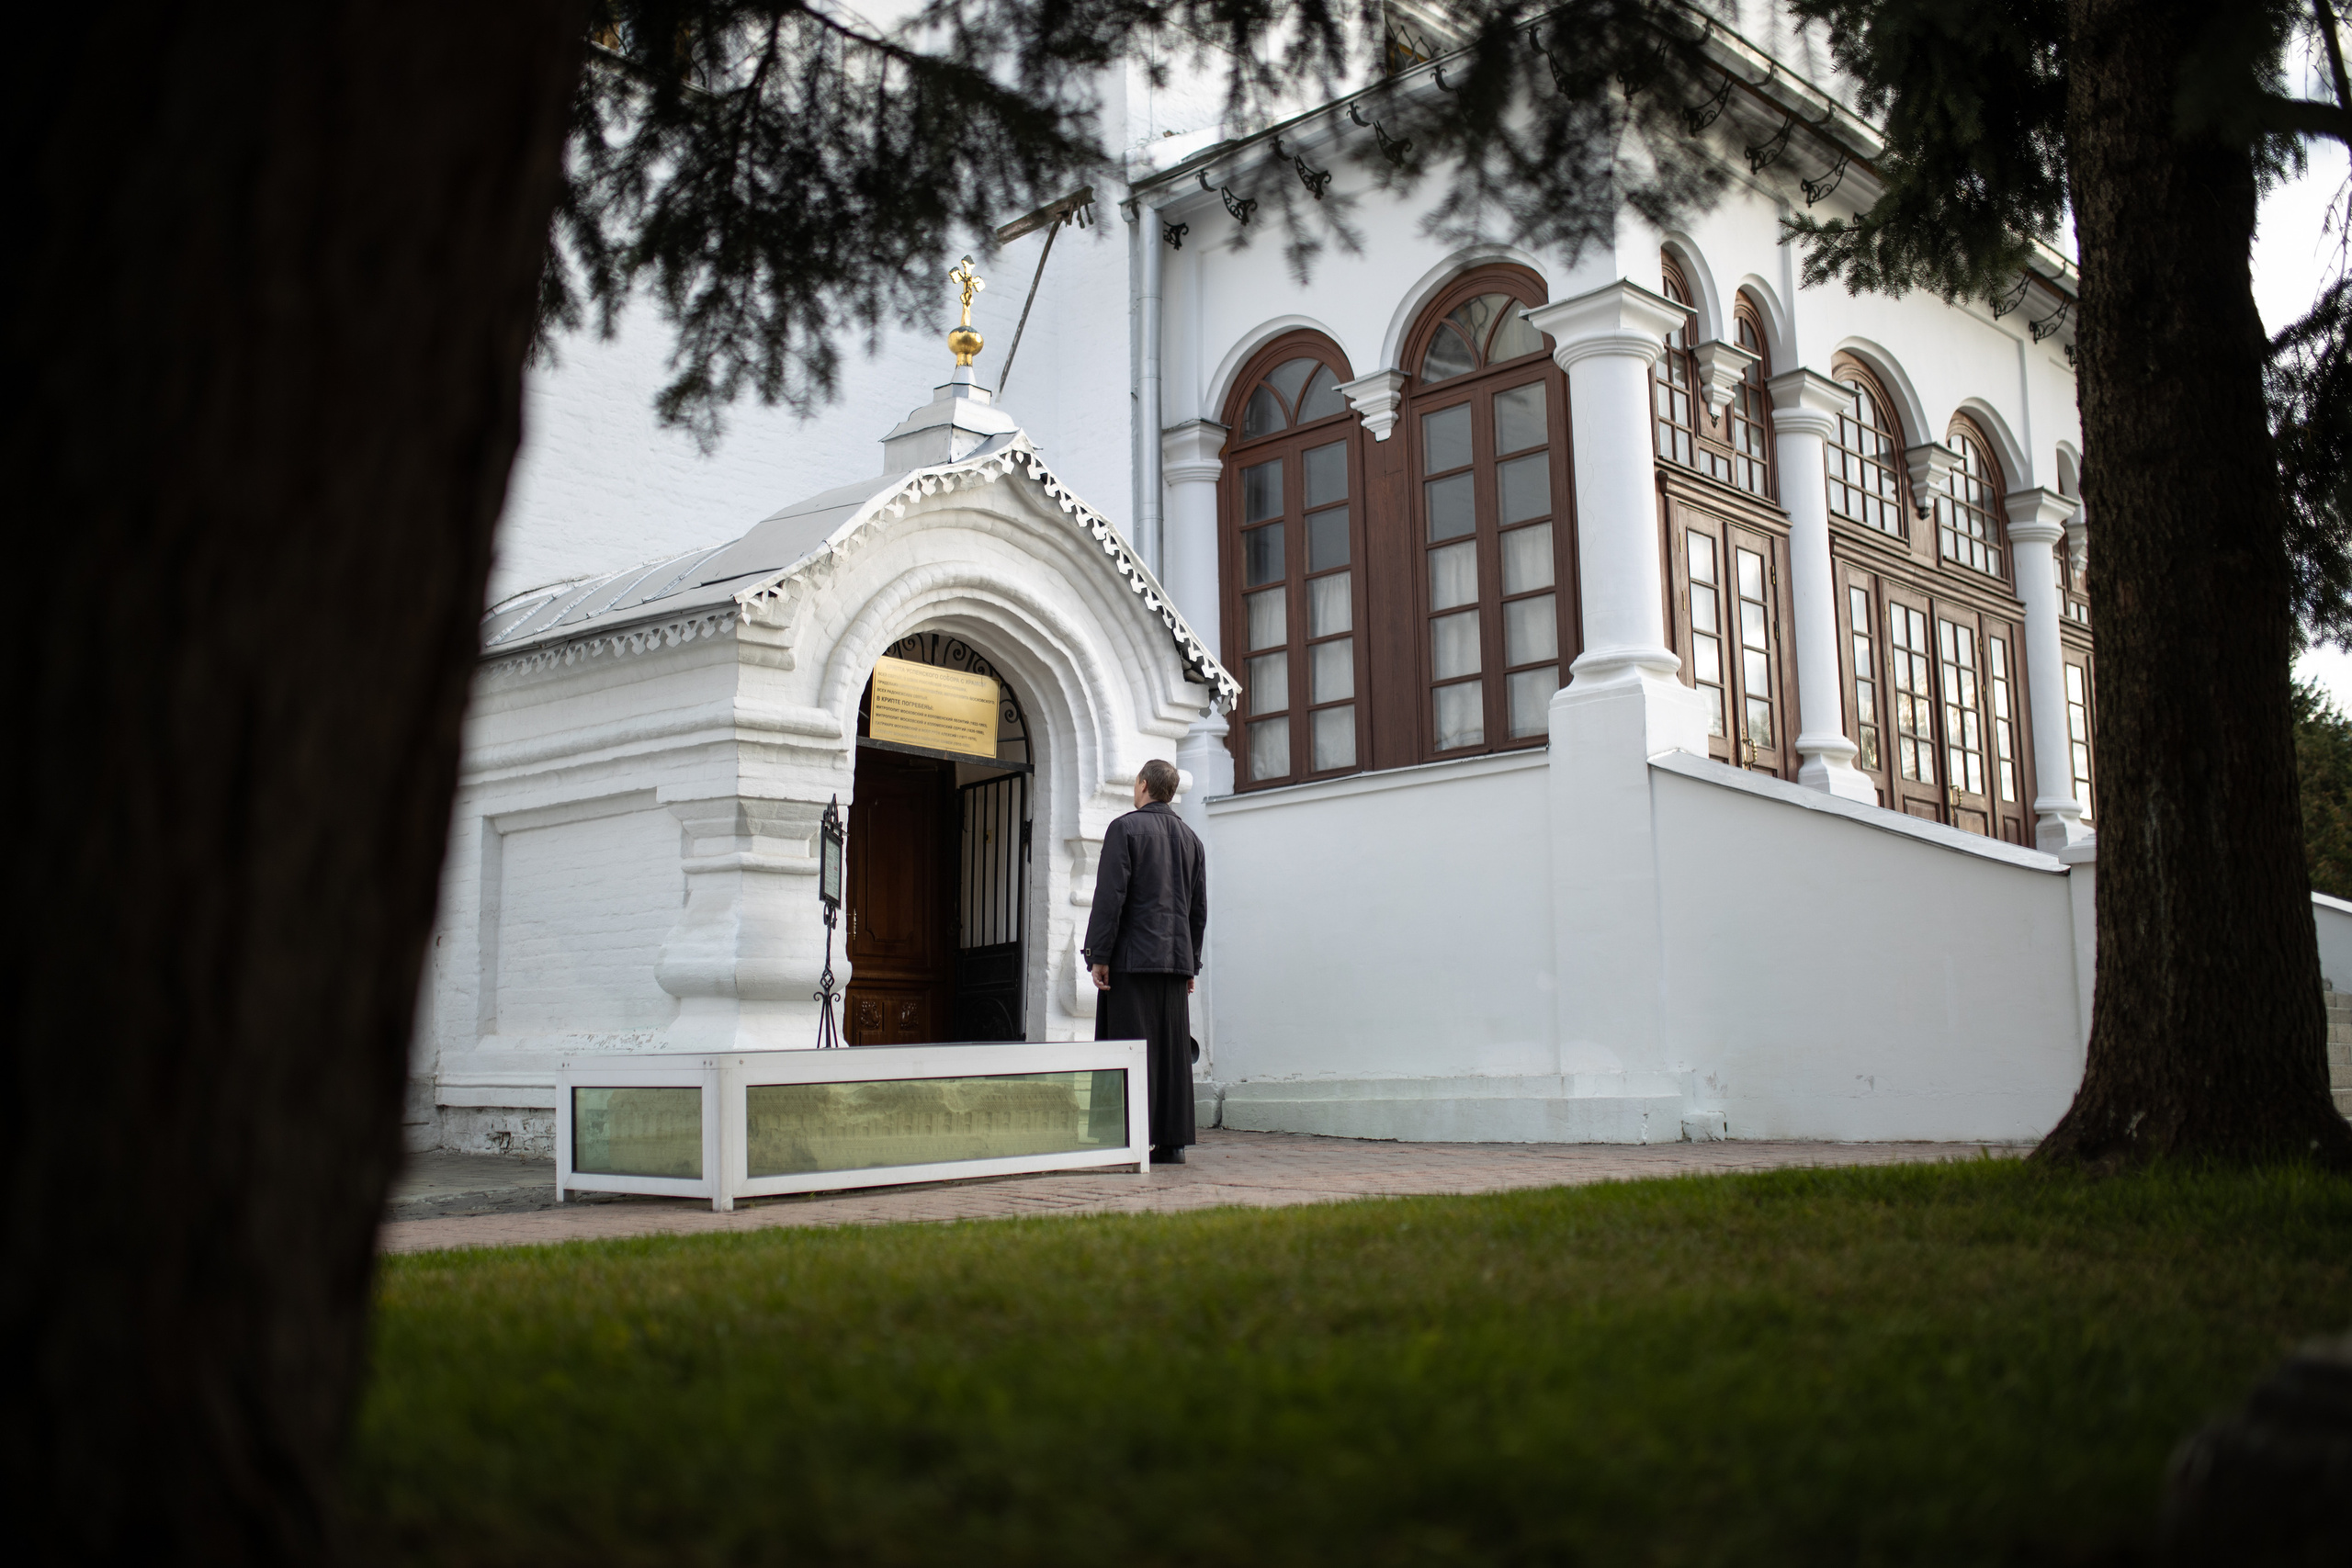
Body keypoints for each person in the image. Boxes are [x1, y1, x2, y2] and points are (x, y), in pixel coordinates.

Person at [1083, 756, 1206, 1165]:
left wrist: (1099, 955)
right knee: (1171, 1053)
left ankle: (1124, 1138)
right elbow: (1197, 910)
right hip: (1174, 964)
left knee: (1126, 1049)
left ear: (1142, 784)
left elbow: (1110, 897)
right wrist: (1191, 964)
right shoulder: (1192, 840)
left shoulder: (1125, 828)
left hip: (1132, 962)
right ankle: (1172, 1144)